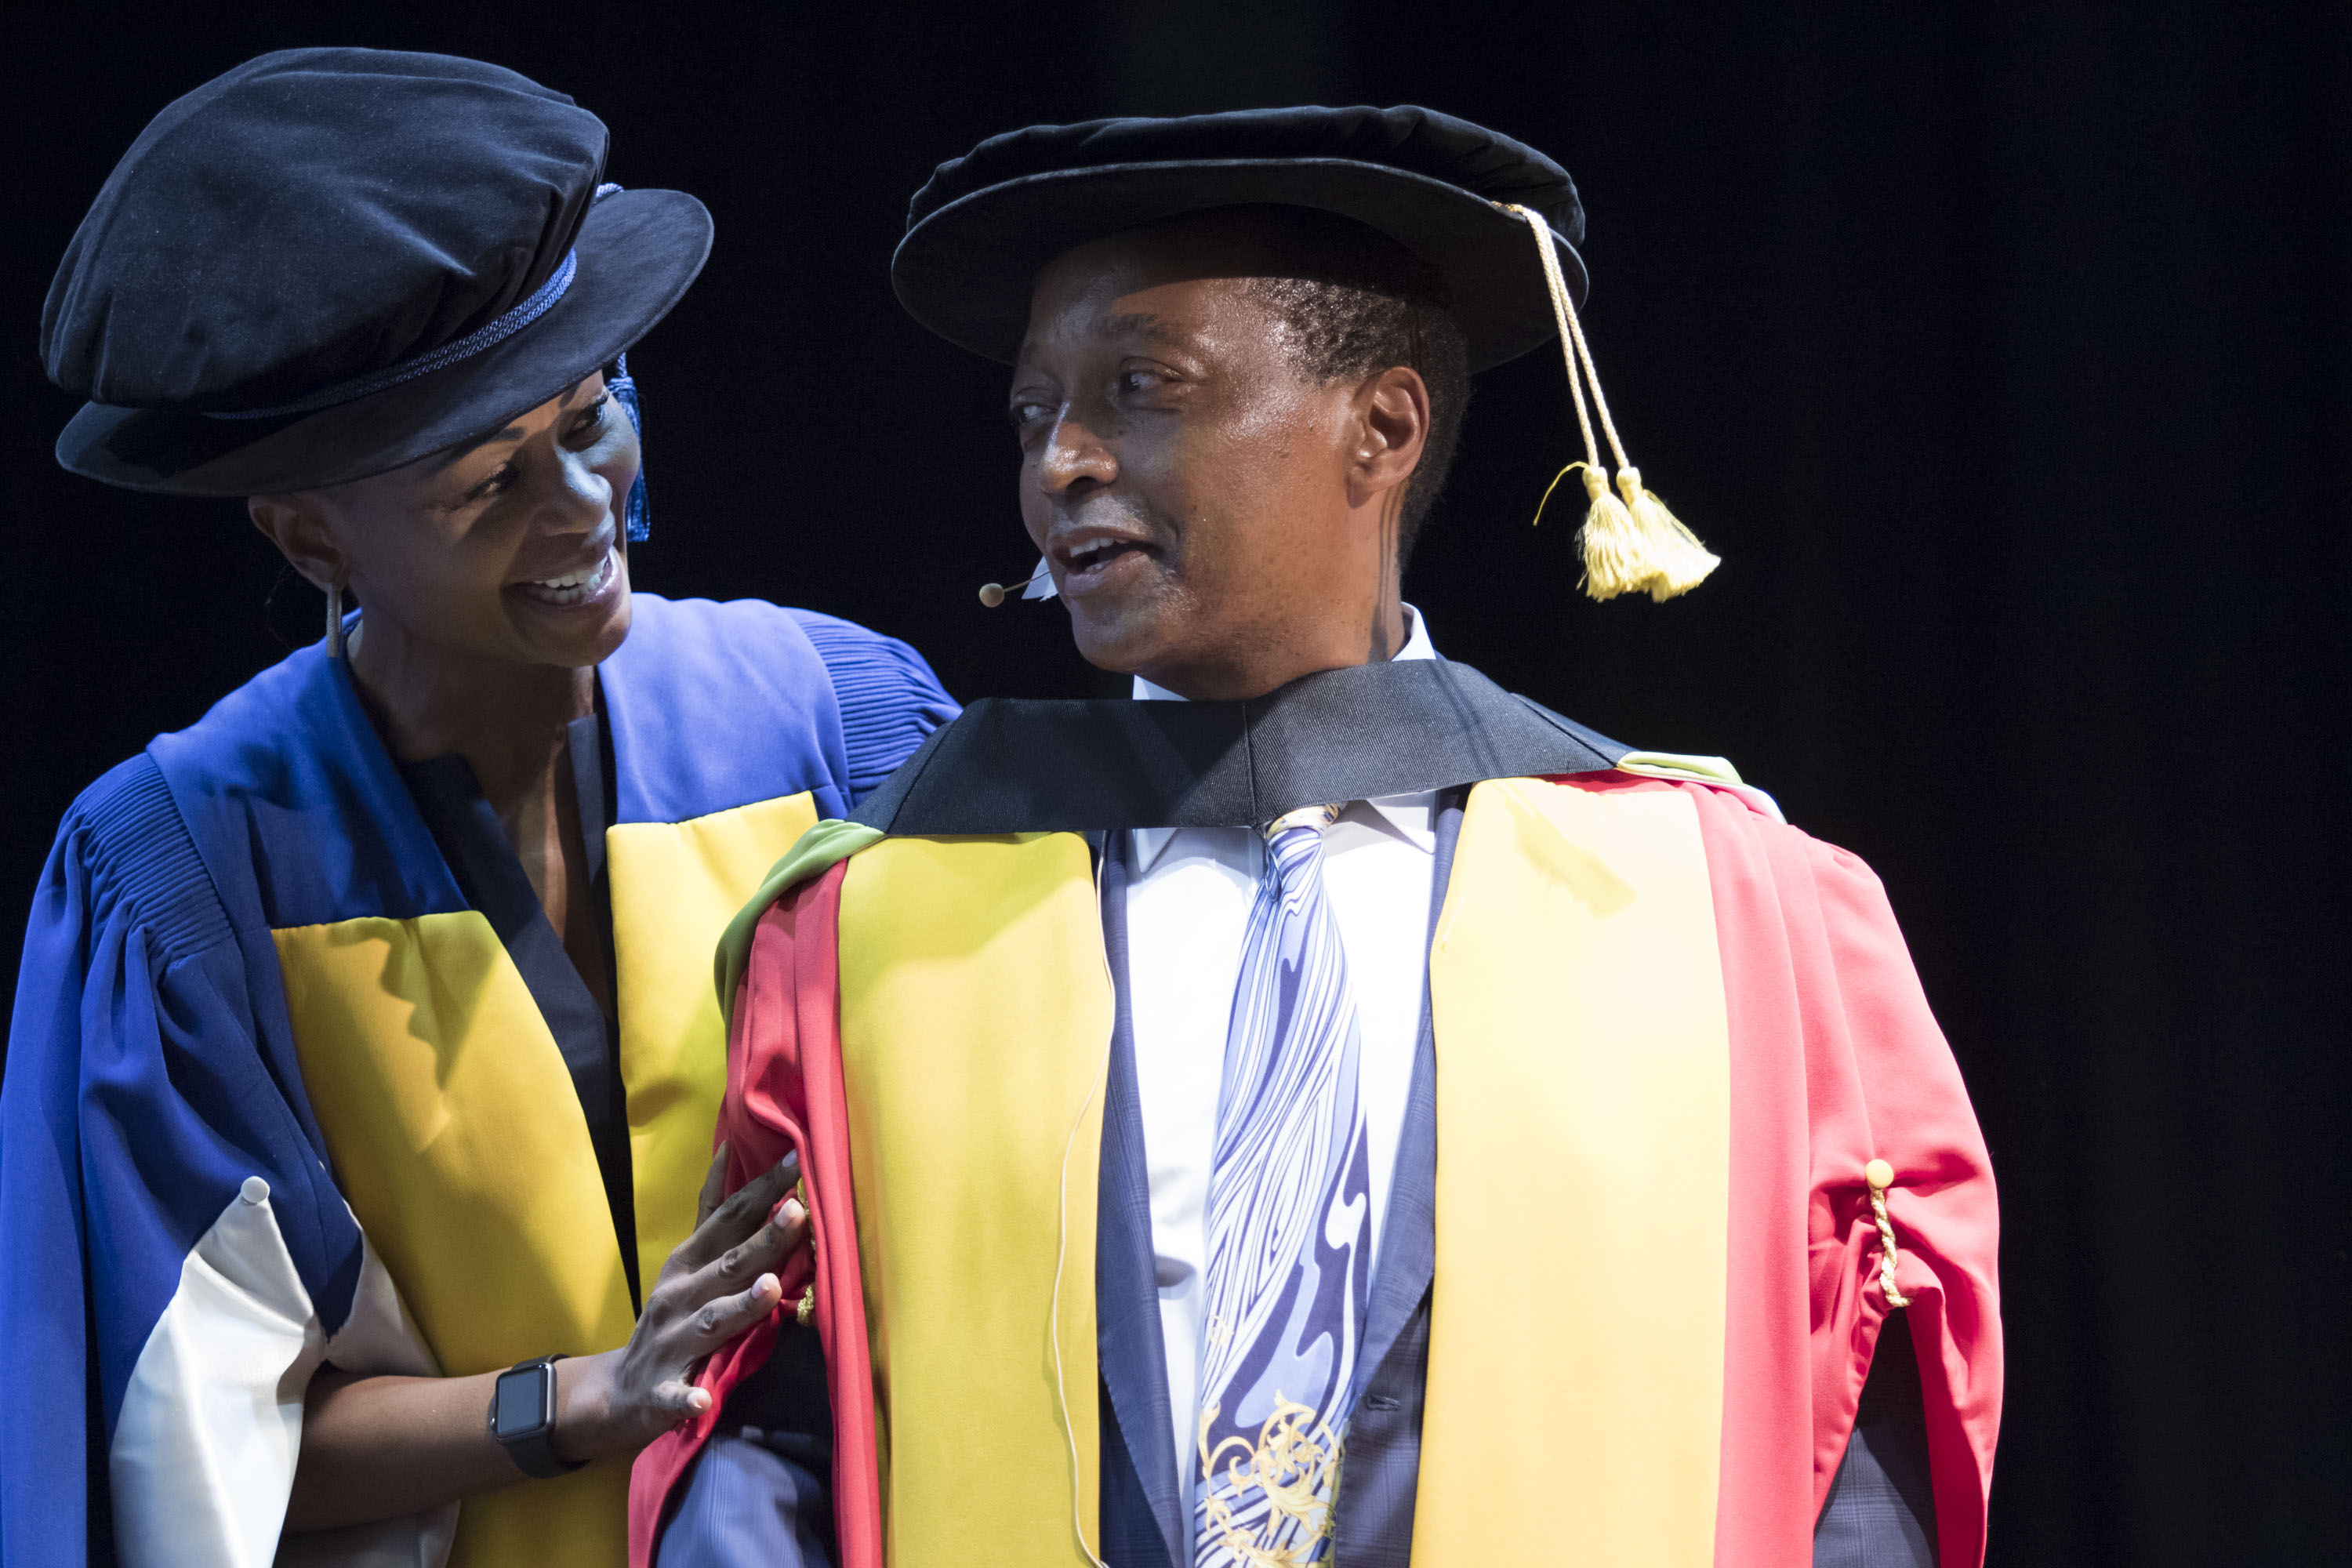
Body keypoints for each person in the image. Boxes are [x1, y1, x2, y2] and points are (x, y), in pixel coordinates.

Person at [635, 108, 2000, 1567]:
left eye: (1140, 387)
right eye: (1035, 414)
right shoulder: (871, 925)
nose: (1064, 464)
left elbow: (1852, 1418)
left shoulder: (1730, 901)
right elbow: (775, 1418)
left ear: (1384, 428)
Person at [0, 49, 953, 1568]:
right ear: (313, 535)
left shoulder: (836, 722)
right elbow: (182, 1459)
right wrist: (593, 1398)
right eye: (487, 482)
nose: (581, 508)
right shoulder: (191, 874)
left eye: (591, 421)